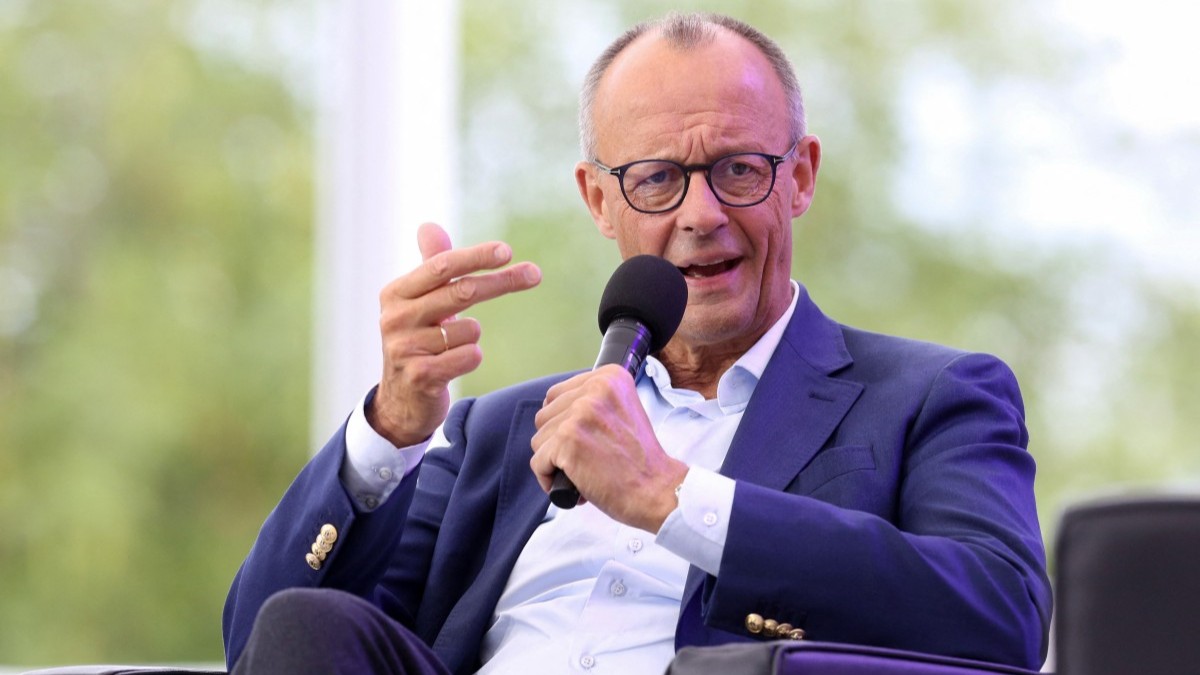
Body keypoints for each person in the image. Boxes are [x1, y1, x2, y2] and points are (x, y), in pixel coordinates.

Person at [222, 12, 1051, 675]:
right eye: (657, 178)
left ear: (799, 176)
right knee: (305, 617)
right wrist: (391, 430)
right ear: (598, 199)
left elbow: (1002, 617)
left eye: (738, 169)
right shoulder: (500, 434)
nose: (700, 215)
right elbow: (265, 645)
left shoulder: (930, 395)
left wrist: (669, 495)